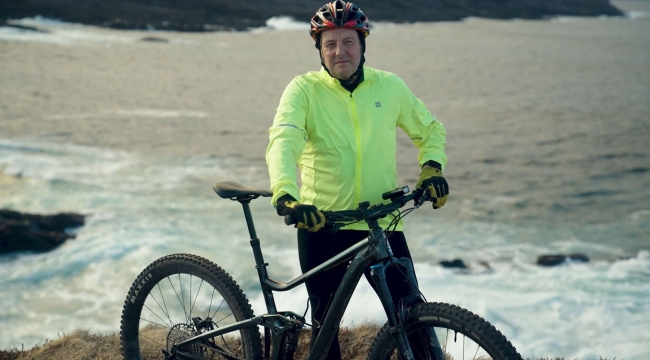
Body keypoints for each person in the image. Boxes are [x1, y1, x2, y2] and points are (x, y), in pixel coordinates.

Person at [265, 1, 449, 358]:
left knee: (411, 318)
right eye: (330, 44)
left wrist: (432, 168)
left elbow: (430, 129)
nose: (339, 51)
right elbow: (283, 141)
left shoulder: (389, 87)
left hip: (383, 222)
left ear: (362, 44)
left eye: (348, 42)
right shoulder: (303, 90)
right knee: (326, 330)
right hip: (324, 224)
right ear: (319, 50)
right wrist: (287, 195)